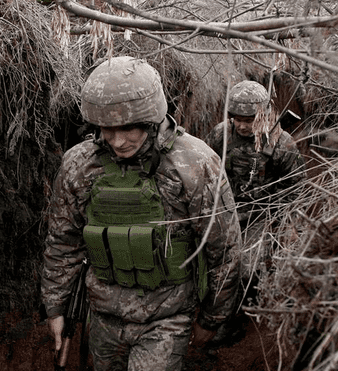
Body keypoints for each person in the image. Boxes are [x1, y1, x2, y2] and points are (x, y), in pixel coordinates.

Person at [41, 56, 241, 371]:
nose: (118, 141)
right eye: (107, 129)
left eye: (128, 128)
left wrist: (212, 318)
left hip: (167, 318)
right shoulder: (79, 165)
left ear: (151, 118)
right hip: (103, 317)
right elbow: (63, 241)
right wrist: (56, 307)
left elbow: (223, 249)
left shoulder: (195, 164)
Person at [205, 80, 305, 343]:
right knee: (211, 262)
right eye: (237, 118)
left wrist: (284, 226)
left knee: (244, 270)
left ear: (263, 115)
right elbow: (206, 170)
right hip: (226, 210)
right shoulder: (220, 135)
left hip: (261, 215)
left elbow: (296, 190)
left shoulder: (282, 144)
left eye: (249, 119)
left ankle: (235, 320)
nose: (242, 125)